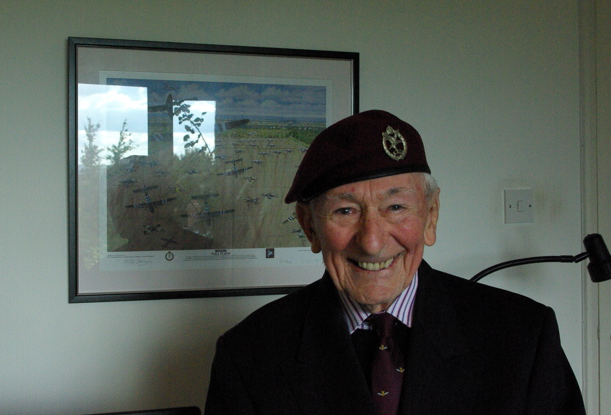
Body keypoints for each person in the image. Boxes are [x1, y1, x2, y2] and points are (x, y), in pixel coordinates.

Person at [204, 110, 585, 414]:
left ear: (431, 216)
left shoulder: (523, 337)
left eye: (396, 207)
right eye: (346, 210)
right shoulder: (249, 354)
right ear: (310, 228)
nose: (372, 242)